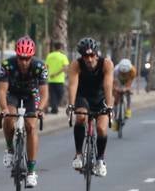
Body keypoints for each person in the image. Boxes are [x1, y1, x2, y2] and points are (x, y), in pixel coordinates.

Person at [0, 36, 48, 188]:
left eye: (27, 58)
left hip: (32, 95)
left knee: (31, 127)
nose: (24, 62)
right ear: (16, 55)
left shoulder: (40, 66)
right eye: (21, 58)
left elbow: (44, 93)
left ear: (32, 56)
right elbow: (1, 90)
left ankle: (31, 171)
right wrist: (4, 109)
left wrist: (40, 110)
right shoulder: (7, 65)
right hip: (13, 93)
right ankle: (10, 148)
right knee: (8, 118)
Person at [66, 37, 114, 176]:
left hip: (100, 98)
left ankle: (100, 160)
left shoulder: (106, 64)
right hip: (83, 97)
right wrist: (71, 104)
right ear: (82, 56)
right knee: (80, 117)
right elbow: (73, 85)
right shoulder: (76, 65)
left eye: (92, 55)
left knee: (101, 128)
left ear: (96, 54)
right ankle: (79, 154)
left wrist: (109, 106)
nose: (89, 59)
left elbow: (108, 85)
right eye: (86, 56)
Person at [44, 41, 68, 114]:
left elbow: (46, 67)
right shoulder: (63, 56)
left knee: (52, 94)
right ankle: (54, 107)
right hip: (60, 80)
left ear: (54, 47)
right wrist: (57, 74)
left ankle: (54, 107)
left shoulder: (49, 56)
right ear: (61, 48)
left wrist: (48, 75)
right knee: (60, 94)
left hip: (50, 79)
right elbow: (65, 68)